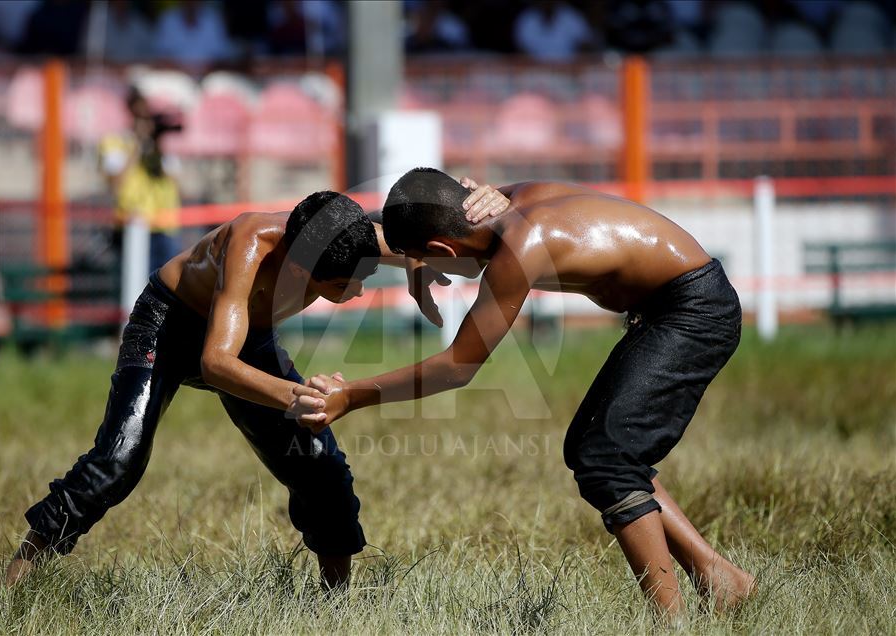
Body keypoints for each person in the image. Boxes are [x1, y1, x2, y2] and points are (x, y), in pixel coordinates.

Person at [306, 169, 756, 616]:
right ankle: (718, 579)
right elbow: (439, 211)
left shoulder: (522, 247)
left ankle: (671, 622)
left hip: (694, 310)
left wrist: (352, 395)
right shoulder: (505, 203)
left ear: (443, 249)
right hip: (669, 304)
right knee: (593, 450)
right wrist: (416, 258)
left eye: (427, 259)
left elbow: (459, 366)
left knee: (609, 461)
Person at [2, 186, 497, 591]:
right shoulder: (250, 243)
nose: (360, 290)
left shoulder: (348, 237)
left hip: (250, 340)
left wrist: (417, 272)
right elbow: (216, 363)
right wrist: (298, 397)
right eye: (346, 285)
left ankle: (337, 602)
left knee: (319, 462)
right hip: (169, 327)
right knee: (119, 460)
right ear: (302, 269)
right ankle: (13, 583)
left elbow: (412, 246)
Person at [99, 87, 183, 271]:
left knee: (167, 284)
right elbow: (115, 182)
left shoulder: (158, 148)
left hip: (164, 228)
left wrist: (156, 146)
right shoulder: (116, 142)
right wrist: (137, 144)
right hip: (132, 227)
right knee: (135, 283)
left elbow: (176, 185)